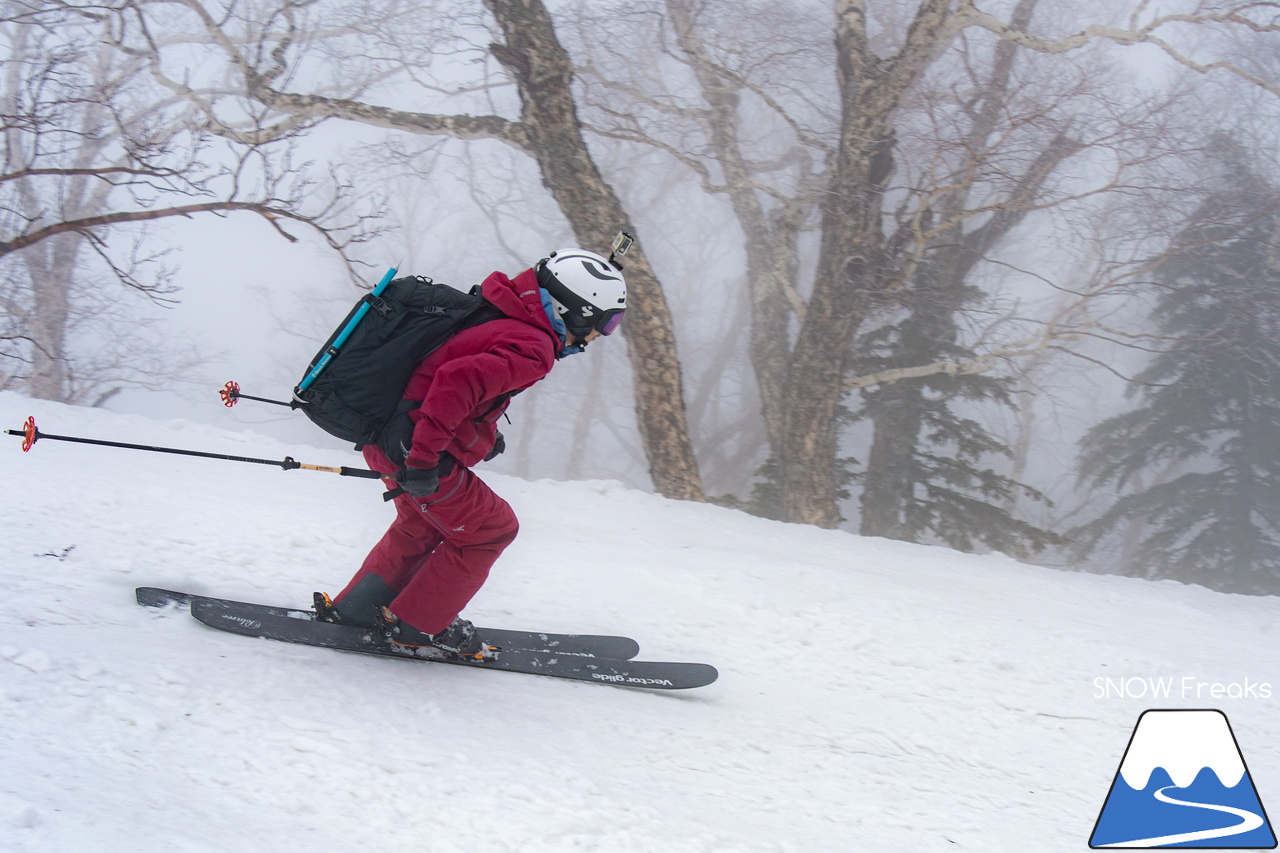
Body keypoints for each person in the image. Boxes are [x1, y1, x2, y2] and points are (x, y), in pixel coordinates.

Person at [313, 247, 627, 657]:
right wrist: (425, 462)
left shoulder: (498, 311)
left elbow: (455, 376)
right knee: (492, 531)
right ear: (578, 310)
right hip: (416, 455)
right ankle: (416, 626)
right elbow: (457, 380)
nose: (599, 336)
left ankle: (358, 609)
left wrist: (481, 432)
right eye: (606, 323)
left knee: (421, 525)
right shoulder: (533, 347)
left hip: (386, 439)